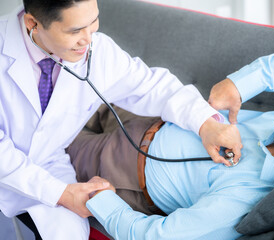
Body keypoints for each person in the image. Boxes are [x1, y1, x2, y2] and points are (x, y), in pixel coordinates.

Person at [0, 0, 242, 239]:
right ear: (33, 23)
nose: (88, 39)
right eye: (75, 31)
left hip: (49, 163)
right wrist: (61, 194)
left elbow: (152, 88)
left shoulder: (96, 50)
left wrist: (205, 123)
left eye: (93, 21)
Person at [67, 48, 274, 239]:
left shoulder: (245, 202)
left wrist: (101, 202)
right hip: (161, 112)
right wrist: (237, 85)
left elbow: (161, 237)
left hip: (125, 168)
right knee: (64, 87)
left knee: (39, 137)